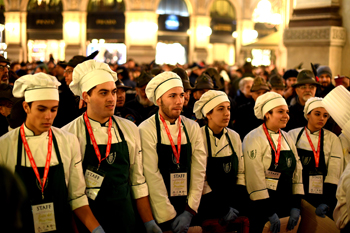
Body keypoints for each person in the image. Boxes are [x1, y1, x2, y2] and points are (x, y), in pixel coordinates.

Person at [62, 60, 160, 233]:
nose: (112, 98)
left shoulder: (129, 129)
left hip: (126, 217)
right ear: (86, 97)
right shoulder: (69, 133)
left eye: (114, 92)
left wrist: (149, 221)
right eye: (103, 93)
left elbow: (137, 181)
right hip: (90, 220)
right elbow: (72, 193)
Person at [0, 73, 104, 233]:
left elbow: (76, 197)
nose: (48, 116)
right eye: (41, 109)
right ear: (26, 107)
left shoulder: (68, 141)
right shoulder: (5, 145)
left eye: (53, 109)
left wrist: (96, 229)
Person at [138, 71, 207, 233]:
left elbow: (199, 171)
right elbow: (151, 175)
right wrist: (169, 216)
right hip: (159, 211)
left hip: (188, 207)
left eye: (182, 95)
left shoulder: (192, 127)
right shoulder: (146, 129)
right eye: (172, 96)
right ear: (159, 99)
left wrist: (189, 211)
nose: (179, 101)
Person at [243, 92, 304, 233]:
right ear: (267, 114)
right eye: (280, 111)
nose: (286, 116)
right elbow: (255, 177)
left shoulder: (287, 137)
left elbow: (297, 170)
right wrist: (268, 211)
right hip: (262, 208)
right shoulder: (253, 138)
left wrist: (296, 204)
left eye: (287, 112)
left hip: (286, 204)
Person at [193, 90, 246, 224]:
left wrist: (234, 205)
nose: (227, 113)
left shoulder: (234, 136)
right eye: (220, 109)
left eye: (228, 108)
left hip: (232, 202)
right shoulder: (199, 137)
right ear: (208, 114)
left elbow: (241, 172)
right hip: (208, 205)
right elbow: (200, 179)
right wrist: (222, 209)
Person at [288, 97, 342, 218]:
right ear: (307, 114)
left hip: (321, 194)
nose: (322, 118)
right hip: (296, 191)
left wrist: (326, 202)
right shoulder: (293, 135)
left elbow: (334, 173)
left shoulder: (333, 139)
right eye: (317, 114)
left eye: (325, 115)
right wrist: (294, 203)